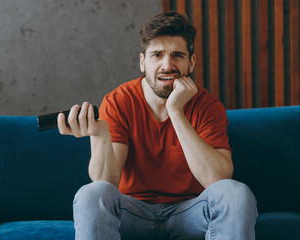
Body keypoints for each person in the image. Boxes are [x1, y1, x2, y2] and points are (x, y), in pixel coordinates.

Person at [57, 11, 258, 240]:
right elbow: (107, 183)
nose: (167, 65)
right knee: (91, 193)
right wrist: (101, 135)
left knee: (236, 193)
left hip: (190, 213)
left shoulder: (207, 105)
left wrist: (176, 111)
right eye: (157, 55)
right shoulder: (118, 101)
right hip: (132, 212)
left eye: (177, 55)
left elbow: (218, 179)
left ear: (191, 62)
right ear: (143, 62)